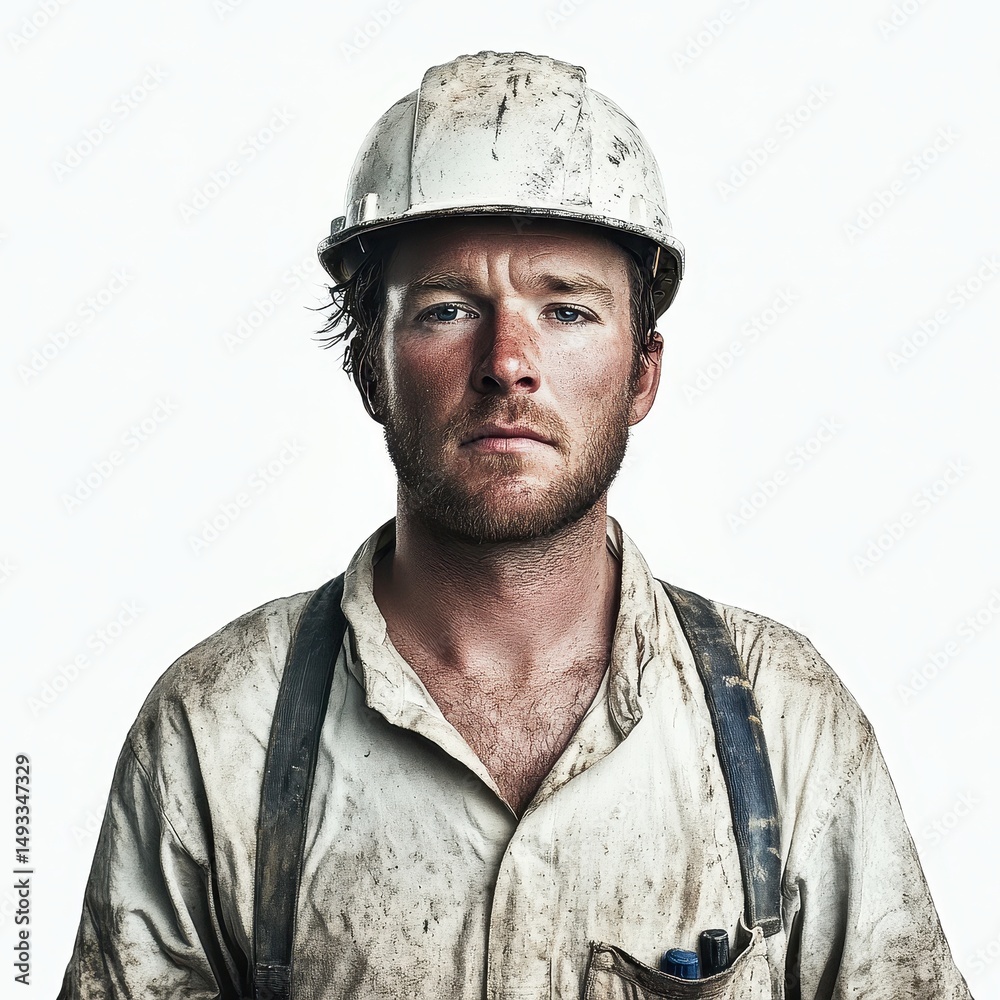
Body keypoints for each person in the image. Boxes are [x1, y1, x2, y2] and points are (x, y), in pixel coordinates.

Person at [59, 51, 973, 1000]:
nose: (509, 364)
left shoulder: (787, 727)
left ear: (643, 375)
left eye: (568, 309)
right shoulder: (218, 731)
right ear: (371, 369)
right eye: (450, 309)